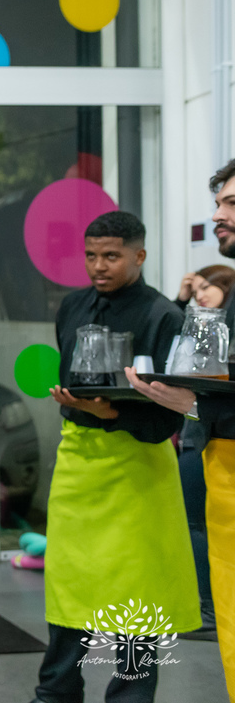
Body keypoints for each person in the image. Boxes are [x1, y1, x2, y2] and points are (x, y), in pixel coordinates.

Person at [32, 211, 200, 703]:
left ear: (139, 256)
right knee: (68, 593)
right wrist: (83, 408)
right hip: (78, 464)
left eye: (111, 256)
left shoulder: (164, 316)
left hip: (139, 468)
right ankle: (55, 693)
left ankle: (131, 698)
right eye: (90, 256)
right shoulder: (71, 306)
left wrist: (109, 414)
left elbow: (170, 418)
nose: (98, 266)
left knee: (136, 602)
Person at [126, 159, 235, 702]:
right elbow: (212, 380)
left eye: (231, 203)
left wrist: (191, 403)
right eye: (218, 203)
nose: (218, 215)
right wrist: (190, 403)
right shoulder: (222, 309)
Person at [172, 264, 233, 637]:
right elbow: (173, 352)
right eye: (196, 290)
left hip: (214, 430)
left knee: (199, 524)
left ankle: (209, 610)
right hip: (197, 429)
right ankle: (205, 605)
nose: (200, 294)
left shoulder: (224, 331)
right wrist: (181, 299)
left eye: (208, 286)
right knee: (195, 521)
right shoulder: (202, 328)